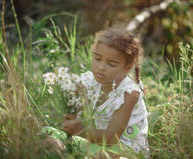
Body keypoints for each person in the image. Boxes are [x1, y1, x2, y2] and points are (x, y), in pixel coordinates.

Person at [61, 27, 149, 159]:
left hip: (124, 149)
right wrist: (71, 122)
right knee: (50, 134)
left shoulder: (130, 93)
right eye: (97, 58)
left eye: (111, 64)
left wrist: (81, 130)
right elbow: (81, 118)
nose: (101, 67)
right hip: (95, 141)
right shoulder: (87, 82)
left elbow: (112, 138)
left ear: (127, 67)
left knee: (104, 155)